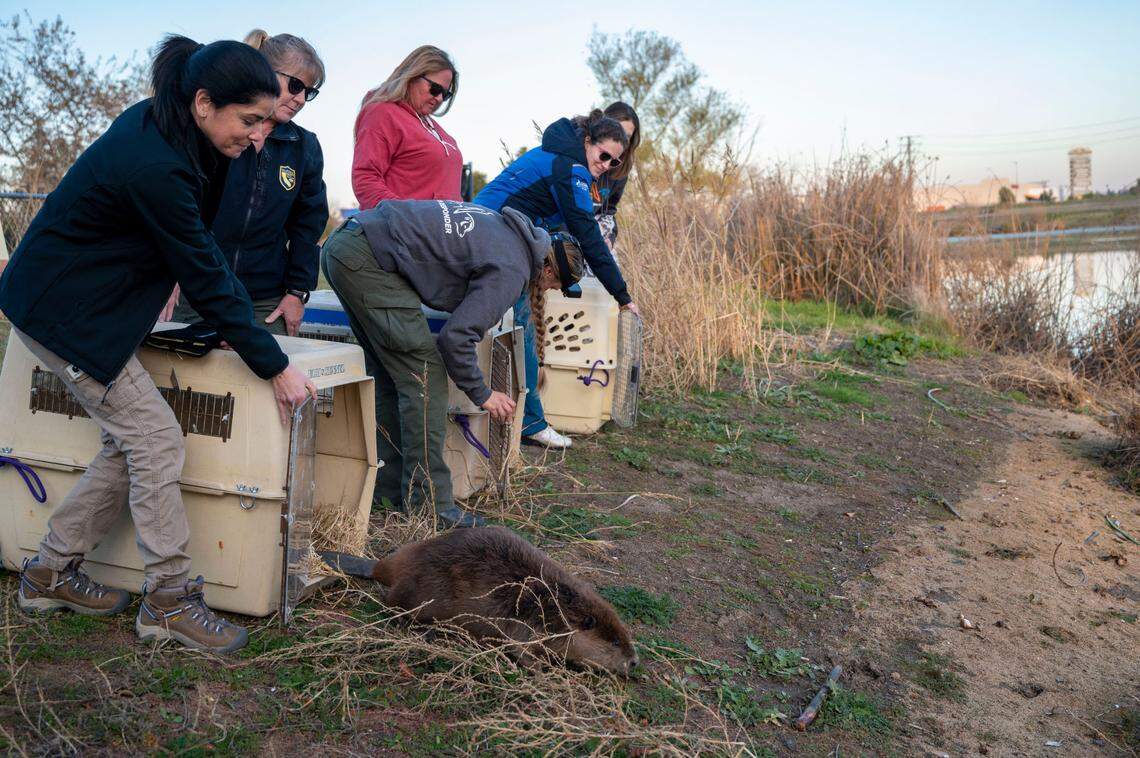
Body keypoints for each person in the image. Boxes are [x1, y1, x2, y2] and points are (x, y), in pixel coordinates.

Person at [0, 36, 315, 654]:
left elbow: (197, 245)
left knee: (133, 443)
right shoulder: (157, 161)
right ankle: (170, 600)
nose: (258, 137)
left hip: (93, 303)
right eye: (249, 121)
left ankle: (48, 572)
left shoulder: (180, 129)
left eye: (265, 121)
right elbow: (201, 264)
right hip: (63, 313)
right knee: (156, 439)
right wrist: (273, 364)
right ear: (203, 102)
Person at [321, 201, 586, 528]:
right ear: (548, 271)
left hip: (346, 245)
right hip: (369, 259)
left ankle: (387, 491)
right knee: (425, 378)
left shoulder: (505, 232)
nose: (554, 290)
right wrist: (483, 393)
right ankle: (431, 505)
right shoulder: (513, 267)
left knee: (394, 378)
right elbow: (456, 337)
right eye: (558, 285)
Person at [474, 110, 638, 449]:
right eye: (603, 155)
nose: (607, 164)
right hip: (486, 236)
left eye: (615, 161)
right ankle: (529, 422)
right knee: (522, 324)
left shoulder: (566, 158)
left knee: (518, 325)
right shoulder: (571, 168)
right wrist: (623, 296)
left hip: (496, 235)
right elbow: (588, 234)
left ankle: (520, 416)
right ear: (588, 142)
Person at [163, 29, 328, 336]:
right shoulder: (211, 131)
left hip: (265, 300)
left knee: (270, 377)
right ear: (263, 71)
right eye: (295, 85)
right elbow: (175, 210)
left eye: (310, 91)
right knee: (186, 381)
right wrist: (167, 273)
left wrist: (297, 292)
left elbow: (308, 226)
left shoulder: (304, 147)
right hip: (195, 288)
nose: (301, 98)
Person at [352, 46, 462, 208]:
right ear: (411, 76)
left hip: (439, 231)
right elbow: (366, 179)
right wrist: (406, 218)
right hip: (403, 230)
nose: (439, 98)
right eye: (435, 89)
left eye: (445, 94)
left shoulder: (434, 128)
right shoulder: (382, 113)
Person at [593, 102, 641, 252]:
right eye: (616, 132)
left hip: (590, 241)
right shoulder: (580, 159)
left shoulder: (620, 172)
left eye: (626, 137)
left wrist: (610, 238)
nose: (620, 141)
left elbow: (608, 211)